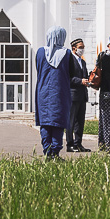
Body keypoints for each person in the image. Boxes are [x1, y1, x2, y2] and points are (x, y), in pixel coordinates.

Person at [34, 26, 74, 160]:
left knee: (45, 122)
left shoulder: (40, 52)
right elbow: (72, 74)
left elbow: (38, 69)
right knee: (58, 121)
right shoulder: (67, 54)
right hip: (60, 93)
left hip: (43, 92)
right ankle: (55, 152)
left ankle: (47, 151)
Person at [66, 37, 92, 152]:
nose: (82, 50)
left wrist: (89, 81)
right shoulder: (69, 60)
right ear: (74, 48)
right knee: (71, 121)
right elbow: (68, 78)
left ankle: (78, 143)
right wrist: (80, 81)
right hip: (73, 95)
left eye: (83, 47)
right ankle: (70, 144)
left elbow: (84, 76)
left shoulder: (83, 61)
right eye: (80, 47)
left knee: (80, 121)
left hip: (82, 95)